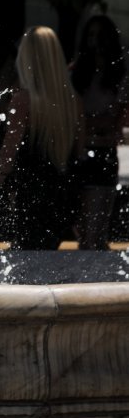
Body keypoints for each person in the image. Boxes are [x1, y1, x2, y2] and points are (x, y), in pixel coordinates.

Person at [0, 26, 80, 249]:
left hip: (30, 200)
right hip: (61, 199)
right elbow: (78, 151)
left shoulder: (23, 100)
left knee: (27, 260)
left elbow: (8, 155)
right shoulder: (72, 101)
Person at [69, 15, 128, 249]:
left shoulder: (118, 76)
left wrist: (92, 122)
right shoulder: (76, 73)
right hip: (79, 152)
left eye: (100, 36)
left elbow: (118, 118)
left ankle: (95, 266)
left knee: (96, 230)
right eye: (91, 35)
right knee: (82, 229)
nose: (95, 42)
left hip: (105, 152)